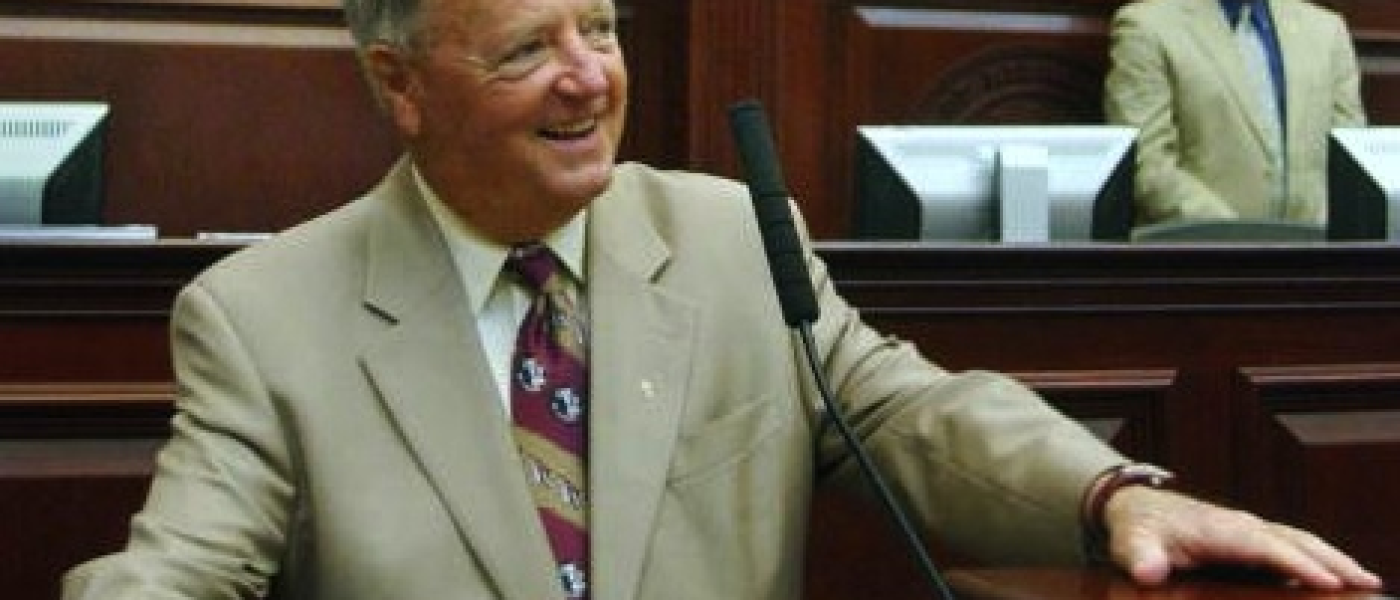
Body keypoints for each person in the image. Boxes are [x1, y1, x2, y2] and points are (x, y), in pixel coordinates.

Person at [63, 0, 1382, 597]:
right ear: (403, 85)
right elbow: (180, 566)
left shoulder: (723, 236)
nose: (590, 79)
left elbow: (907, 412)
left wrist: (1115, 497)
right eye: (530, 48)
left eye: (605, 29)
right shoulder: (266, 312)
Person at [1104, 0, 1367, 229]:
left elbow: (1353, 160)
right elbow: (1149, 164)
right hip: (1201, 261)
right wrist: (1237, 237)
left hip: (1318, 266)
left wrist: (1328, 236)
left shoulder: (1326, 30)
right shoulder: (1147, 27)